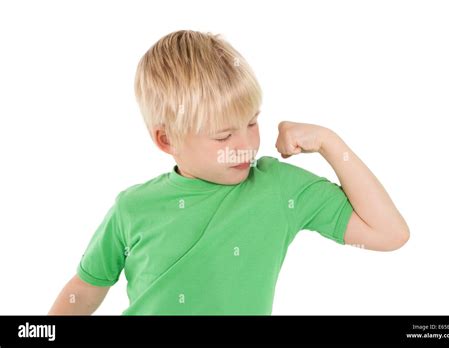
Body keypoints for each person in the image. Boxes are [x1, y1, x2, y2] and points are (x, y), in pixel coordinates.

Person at [49, 30, 409, 315]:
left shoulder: (279, 188)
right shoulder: (132, 208)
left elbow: (389, 233)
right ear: (166, 140)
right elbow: (84, 290)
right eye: (222, 136)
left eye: (252, 123)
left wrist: (330, 142)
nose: (246, 145)